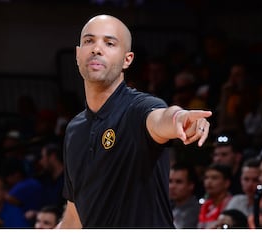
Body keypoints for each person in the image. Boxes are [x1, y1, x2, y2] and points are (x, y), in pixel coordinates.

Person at [58, 14, 212, 228]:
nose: (96, 49)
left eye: (109, 43)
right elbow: (74, 218)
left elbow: (160, 118)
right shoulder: (74, 129)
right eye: (89, 41)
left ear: (127, 59)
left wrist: (179, 117)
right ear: (77, 54)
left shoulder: (137, 108)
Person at [198, 163, 232, 229]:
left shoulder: (231, 204)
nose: (208, 182)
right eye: (206, 178)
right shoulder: (205, 205)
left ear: (226, 183)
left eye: (214, 178)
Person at [169, 162, 200, 228]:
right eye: (170, 181)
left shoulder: (196, 212)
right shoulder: (166, 207)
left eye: (178, 182)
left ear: (191, 185)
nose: (172, 186)